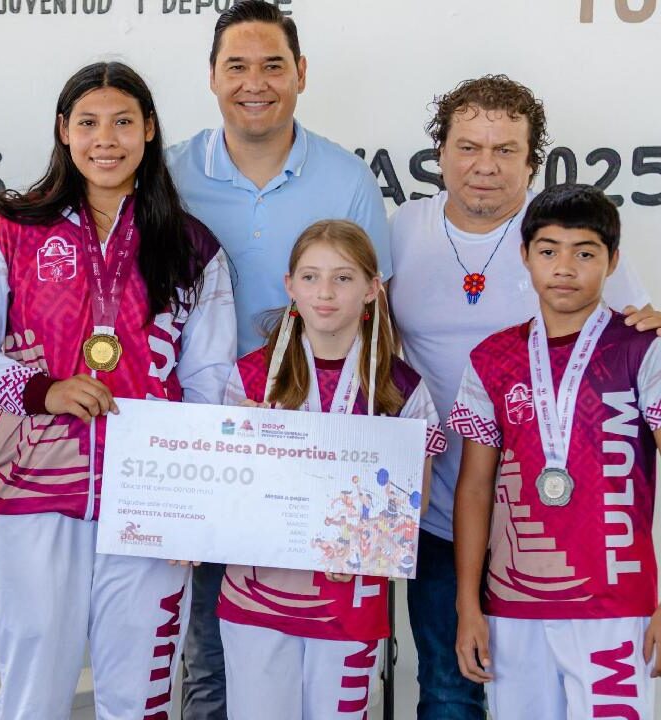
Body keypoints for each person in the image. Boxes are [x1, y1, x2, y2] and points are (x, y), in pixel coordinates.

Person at [0, 61, 236, 719]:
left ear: (149, 130)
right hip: (32, 496)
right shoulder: (8, 230)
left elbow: (209, 385)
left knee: (138, 701)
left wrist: (191, 507)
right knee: (32, 696)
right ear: (63, 130)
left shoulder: (192, 246)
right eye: (87, 123)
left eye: (121, 122)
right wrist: (40, 390)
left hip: (151, 503)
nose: (104, 139)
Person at [388, 75, 661, 719]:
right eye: (469, 146)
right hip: (440, 511)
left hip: (572, 531)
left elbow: (633, 331)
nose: (485, 165)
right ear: (441, 153)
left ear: (532, 160)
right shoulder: (403, 228)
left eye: (506, 149)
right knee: (450, 691)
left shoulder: (563, 232)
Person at [166, 4, 393, 714]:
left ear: (301, 74)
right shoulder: (169, 176)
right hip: (210, 441)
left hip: (324, 454)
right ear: (210, 77)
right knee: (211, 654)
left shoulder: (348, 178)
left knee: (324, 664)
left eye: (272, 65)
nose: (254, 83)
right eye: (236, 66)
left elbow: (381, 317)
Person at [218, 220, 444, 718]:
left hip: (349, 601)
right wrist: (241, 443)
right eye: (311, 277)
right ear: (290, 286)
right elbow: (226, 495)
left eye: (343, 278)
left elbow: (415, 504)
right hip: (258, 599)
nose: (325, 293)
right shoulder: (252, 377)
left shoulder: (400, 387)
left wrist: (368, 539)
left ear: (371, 289)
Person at [450, 184, 661, 718]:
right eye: (548, 251)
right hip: (511, 605)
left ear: (612, 262)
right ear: (525, 256)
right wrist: (467, 604)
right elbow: (474, 488)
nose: (564, 267)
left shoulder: (643, 347)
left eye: (584, 253)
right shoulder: (492, 357)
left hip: (615, 601)